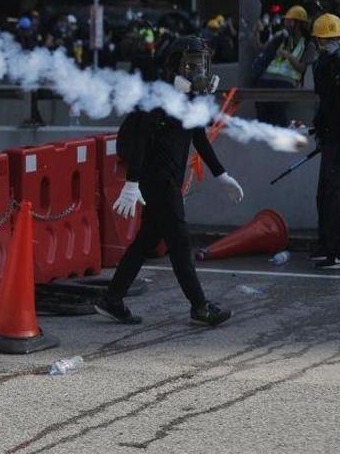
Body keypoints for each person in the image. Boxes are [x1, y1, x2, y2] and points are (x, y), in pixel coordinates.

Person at [94, 36, 244, 327]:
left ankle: (112, 298)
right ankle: (200, 307)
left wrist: (221, 174)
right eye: (191, 62)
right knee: (179, 242)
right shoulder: (160, 97)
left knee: (147, 239)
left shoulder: (190, 98)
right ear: (175, 64)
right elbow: (140, 140)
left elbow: (198, 137)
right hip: (157, 180)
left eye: (201, 62)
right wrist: (131, 182)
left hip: (168, 179)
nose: (198, 68)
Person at [309, 13, 340, 269]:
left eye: (332, 40)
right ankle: (326, 245)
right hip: (332, 137)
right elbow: (326, 103)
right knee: (324, 194)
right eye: (324, 41)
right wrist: (320, 129)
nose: (327, 46)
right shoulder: (324, 67)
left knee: (336, 195)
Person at [254, 5, 316, 127]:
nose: (286, 23)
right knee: (261, 111)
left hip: (286, 82)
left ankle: (280, 138)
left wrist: (288, 55)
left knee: (277, 112)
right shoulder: (281, 38)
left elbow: (301, 68)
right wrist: (256, 34)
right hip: (266, 79)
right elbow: (262, 49)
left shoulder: (309, 45)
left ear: (298, 24)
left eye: (290, 21)